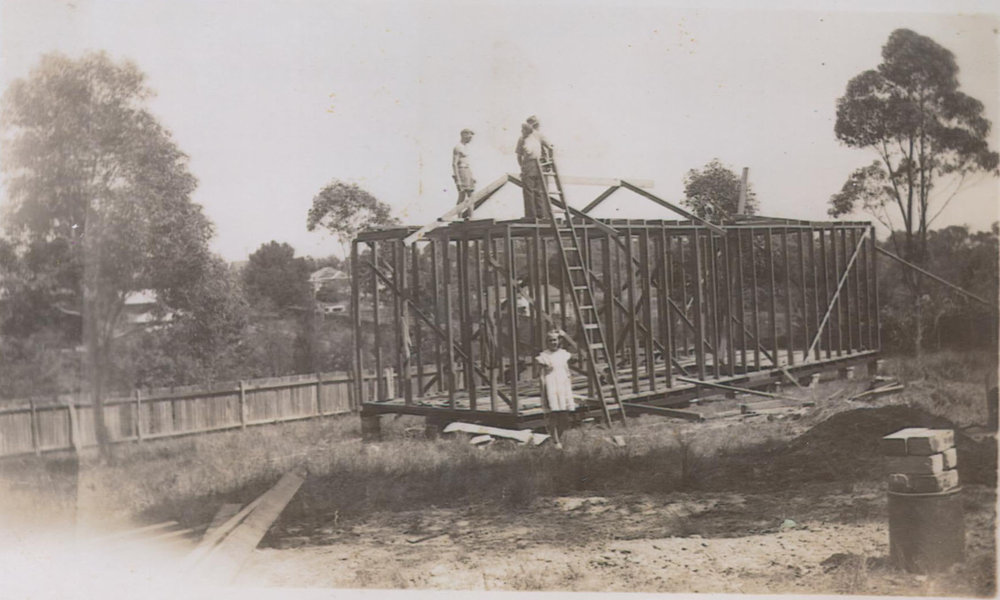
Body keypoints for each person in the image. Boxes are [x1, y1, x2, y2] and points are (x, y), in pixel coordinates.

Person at [535, 329, 576, 448]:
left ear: (559, 341)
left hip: (563, 385)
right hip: (551, 385)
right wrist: (543, 392)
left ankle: (557, 437)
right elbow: (541, 376)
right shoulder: (544, 356)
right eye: (550, 340)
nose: (553, 342)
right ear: (546, 342)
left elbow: (577, 349)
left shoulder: (563, 354)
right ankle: (556, 441)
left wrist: (565, 335)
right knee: (554, 414)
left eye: (555, 340)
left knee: (564, 415)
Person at [515, 116, 553, 220]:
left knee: (530, 191)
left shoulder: (524, 137)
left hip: (532, 165)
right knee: (539, 191)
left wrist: (522, 167)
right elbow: (551, 147)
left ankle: (532, 216)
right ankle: (541, 215)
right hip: (538, 166)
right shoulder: (535, 136)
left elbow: (519, 155)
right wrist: (549, 162)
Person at [453, 128, 476, 219]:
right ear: (464, 135)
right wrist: (458, 179)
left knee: (470, 194)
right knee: (463, 194)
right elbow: (454, 164)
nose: (470, 138)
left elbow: (467, 162)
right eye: (469, 136)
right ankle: (460, 216)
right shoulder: (458, 147)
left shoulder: (465, 147)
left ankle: (470, 216)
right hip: (461, 170)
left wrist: (471, 176)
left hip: (467, 170)